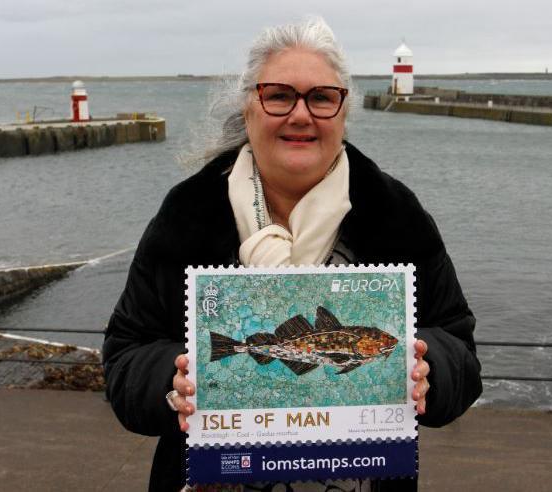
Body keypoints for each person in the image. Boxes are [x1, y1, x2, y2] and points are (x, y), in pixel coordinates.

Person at [103, 17, 482, 492]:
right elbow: (123, 357)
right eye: (279, 95)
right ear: (248, 110)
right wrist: (171, 377)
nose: (300, 115)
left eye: (321, 97)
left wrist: (433, 370)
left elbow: (460, 350)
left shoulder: (396, 216)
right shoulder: (187, 215)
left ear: (344, 114)